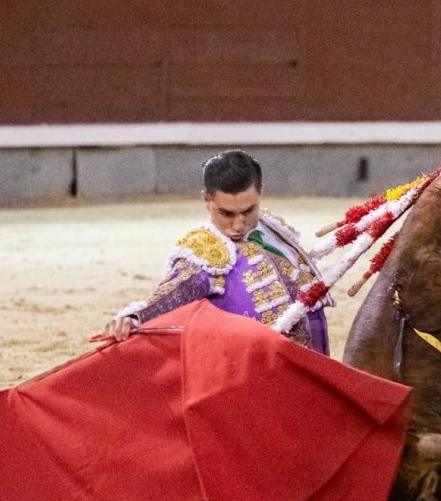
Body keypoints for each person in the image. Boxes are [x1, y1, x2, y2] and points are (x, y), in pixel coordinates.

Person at [102, 149, 331, 354]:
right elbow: (174, 292)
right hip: (256, 372)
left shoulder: (274, 229)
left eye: (248, 210)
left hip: (314, 361)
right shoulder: (204, 252)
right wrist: (135, 317)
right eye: (227, 214)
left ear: (261, 192)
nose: (239, 224)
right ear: (206, 199)